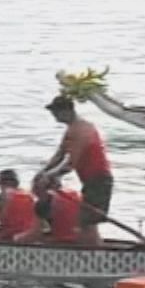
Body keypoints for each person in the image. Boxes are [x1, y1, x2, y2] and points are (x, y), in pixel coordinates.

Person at [41, 94, 111, 244]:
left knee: (87, 223)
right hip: (91, 181)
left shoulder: (81, 130)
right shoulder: (72, 129)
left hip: (98, 180)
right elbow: (60, 155)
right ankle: (93, 252)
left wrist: (51, 176)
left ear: (66, 111)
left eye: (55, 113)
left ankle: (96, 257)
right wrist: (43, 172)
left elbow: (71, 163)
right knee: (86, 222)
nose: (54, 117)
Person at [23, 175, 86, 244]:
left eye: (35, 188)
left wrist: (17, 239)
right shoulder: (75, 195)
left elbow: (34, 234)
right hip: (83, 243)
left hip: (61, 245)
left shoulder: (44, 203)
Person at [0, 169, 37, 238]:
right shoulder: (29, 196)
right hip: (29, 235)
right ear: (17, 183)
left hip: (10, 236)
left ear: (1, 184)